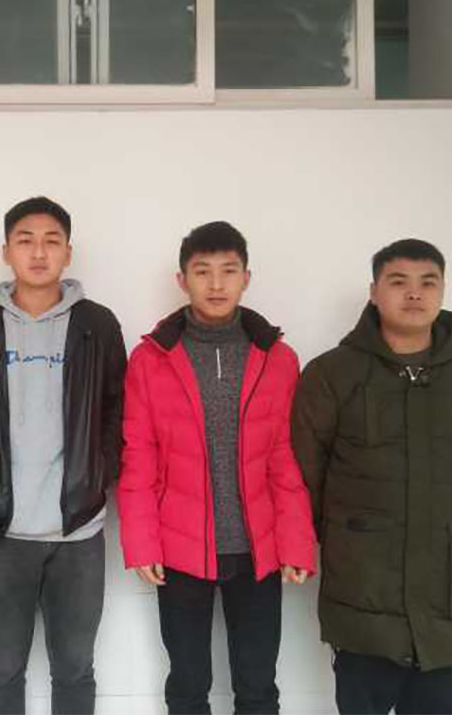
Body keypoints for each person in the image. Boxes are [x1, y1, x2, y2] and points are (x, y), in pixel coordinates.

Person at [292, 238, 452, 715]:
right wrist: (351, 528)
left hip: (450, 595)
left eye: (427, 282)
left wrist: (441, 514)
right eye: (398, 282)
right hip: (365, 590)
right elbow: (308, 468)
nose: (414, 293)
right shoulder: (332, 373)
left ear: (442, 290)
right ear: (374, 292)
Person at [118, 221, 316, 715]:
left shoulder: (278, 358)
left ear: (246, 278)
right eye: (202, 271)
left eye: (228, 271)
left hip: (257, 549)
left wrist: (296, 541)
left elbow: (285, 456)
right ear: (182, 280)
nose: (216, 283)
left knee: (258, 686)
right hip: (179, 549)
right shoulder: (150, 359)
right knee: (188, 685)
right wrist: (141, 542)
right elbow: (139, 454)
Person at [0, 196, 127, 715]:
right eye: (25, 240)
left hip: (79, 531)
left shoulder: (97, 324)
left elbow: (118, 410)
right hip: (2, 533)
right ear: (6, 251)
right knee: (2, 669)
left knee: (74, 669)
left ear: (68, 253)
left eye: (52, 241)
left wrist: (97, 478)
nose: (38, 252)